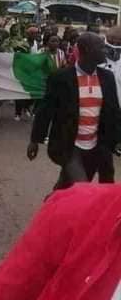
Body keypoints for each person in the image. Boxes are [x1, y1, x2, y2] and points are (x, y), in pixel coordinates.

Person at [27, 32, 121, 188]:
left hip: (97, 145)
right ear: (86, 50)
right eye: (100, 47)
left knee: (68, 187)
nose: (105, 51)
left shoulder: (107, 77)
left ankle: (52, 203)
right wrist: (35, 140)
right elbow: (46, 110)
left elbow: (113, 111)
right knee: (82, 187)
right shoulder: (61, 78)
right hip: (70, 145)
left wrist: (117, 139)